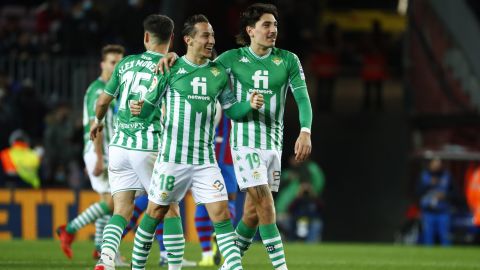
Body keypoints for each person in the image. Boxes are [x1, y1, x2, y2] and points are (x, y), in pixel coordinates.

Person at [157, 4, 312, 269]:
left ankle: (230, 263)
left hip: (273, 143)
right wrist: (172, 56)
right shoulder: (230, 60)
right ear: (250, 30)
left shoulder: (288, 60)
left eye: (274, 25)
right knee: (264, 202)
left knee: (252, 213)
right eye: (266, 25)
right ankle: (281, 267)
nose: (272, 30)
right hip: (244, 143)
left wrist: (305, 131)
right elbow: (197, 65)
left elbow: (302, 99)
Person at [128, 14, 264, 270]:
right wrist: (139, 108)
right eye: (205, 35)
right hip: (171, 159)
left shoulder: (218, 73)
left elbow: (232, 110)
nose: (211, 40)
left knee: (221, 214)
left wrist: (250, 105)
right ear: (188, 40)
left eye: (212, 35)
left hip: (204, 161)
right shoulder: (171, 68)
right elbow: (149, 108)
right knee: (155, 213)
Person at [89, 14, 176, 270]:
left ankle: (106, 259)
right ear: (171, 39)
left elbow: (103, 101)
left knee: (121, 210)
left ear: (146, 37)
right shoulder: (171, 66)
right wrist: (176, 58)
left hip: (118, 147)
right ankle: (171, 261)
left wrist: (97, 121)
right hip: (149, 145)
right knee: (169, 206)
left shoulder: (125, 64)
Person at [56, 44, 124, 262]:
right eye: (112, 62)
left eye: (119, 62)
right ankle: (70, 228)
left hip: (105, 150)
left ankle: (98, 248)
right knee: (116, 202)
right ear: (102, 64)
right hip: (99, 149)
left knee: (109, 200)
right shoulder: (99, 90)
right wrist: (98, 157)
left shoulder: (113, 88)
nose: (116, 66)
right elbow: (98, 124)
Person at [417, 157, 453, 246]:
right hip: (428, 211)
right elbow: (417, 192)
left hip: (443, 211)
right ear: (430, 164)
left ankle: (448, 257)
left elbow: (456, 193)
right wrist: (429, 184)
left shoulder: (446, 176)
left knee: (445, 237)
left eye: (439, 164)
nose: (437, 166)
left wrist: (445, 196)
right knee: (428, 237)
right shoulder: (424, 176)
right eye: (435, 163)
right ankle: (427, 258)